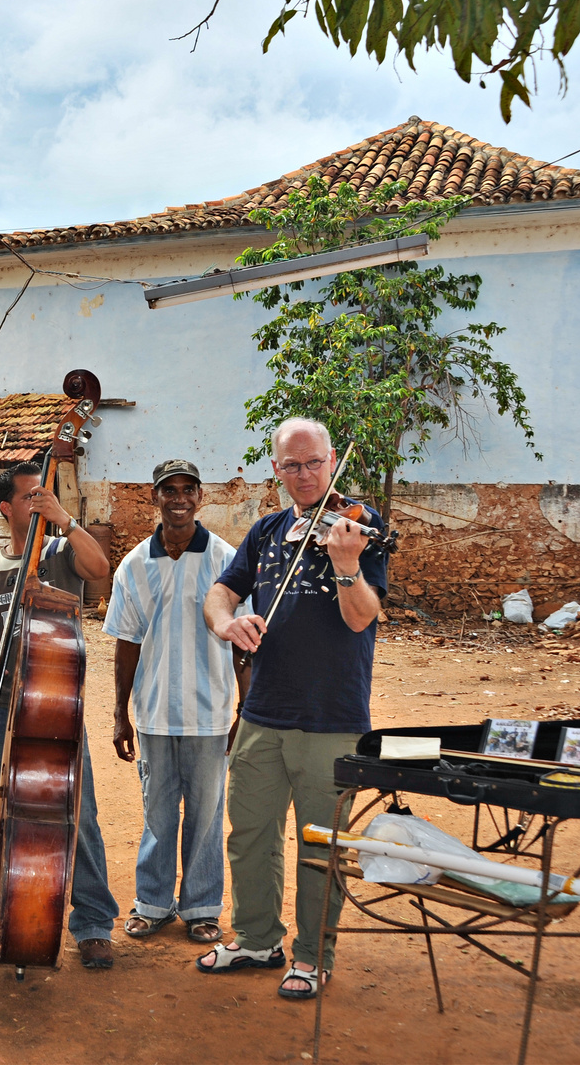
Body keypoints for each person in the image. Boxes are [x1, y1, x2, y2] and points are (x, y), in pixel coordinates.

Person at [201, 419, 388, 1000]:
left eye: (313, 464)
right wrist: (227, 623)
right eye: (291, 466)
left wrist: (347, 565)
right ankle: (257, 938)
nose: (304, 476)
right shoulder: (266, 531)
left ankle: (311, 955)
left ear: (333, 460)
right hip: (262, 714)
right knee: (250, 833)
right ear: (276, 470)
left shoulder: (358, 529)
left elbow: (362, 616)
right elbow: (219, 593)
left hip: (332, 718)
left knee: (320, 844)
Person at [0, 461, 120, 970]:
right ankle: (20, 914)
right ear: (7, 507)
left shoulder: (62, 552)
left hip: (54, 701)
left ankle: (93, 923)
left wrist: (65, 519)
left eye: (43, 496)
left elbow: (101, 571)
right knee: (17, 812)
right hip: (4, 702)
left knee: (78, 810)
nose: (38, 502)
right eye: (30, 497)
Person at [102, 459, 239, 948]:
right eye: (169, 490)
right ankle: (153, 904)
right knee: (158, 814)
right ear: (154, 497)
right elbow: (126, 642)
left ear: (200, 496)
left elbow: (243, 644)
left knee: (205, 817)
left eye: (187, 489)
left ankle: (202, 909)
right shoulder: (136, 564)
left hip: (211, 713)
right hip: (155, 713)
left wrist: (243, 709)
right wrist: (121, 714)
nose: (178, 498)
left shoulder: (227, 559)